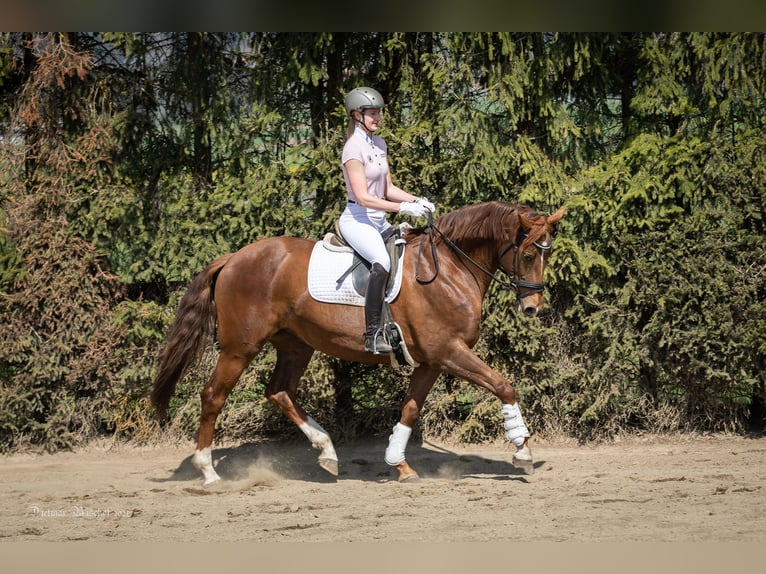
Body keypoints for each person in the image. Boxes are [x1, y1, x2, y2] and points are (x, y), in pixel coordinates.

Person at [339, 86, 436, 354]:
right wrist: (403, 207)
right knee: (381, 262)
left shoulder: (378, 144)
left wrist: (417, 201)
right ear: (357, 115)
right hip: (358, 220)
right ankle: (372, 335)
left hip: (379, 220)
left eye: (379, 113)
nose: (377, 118)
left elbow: (387, 188)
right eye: (372, 114)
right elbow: (363, 197)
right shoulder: (352, 149)